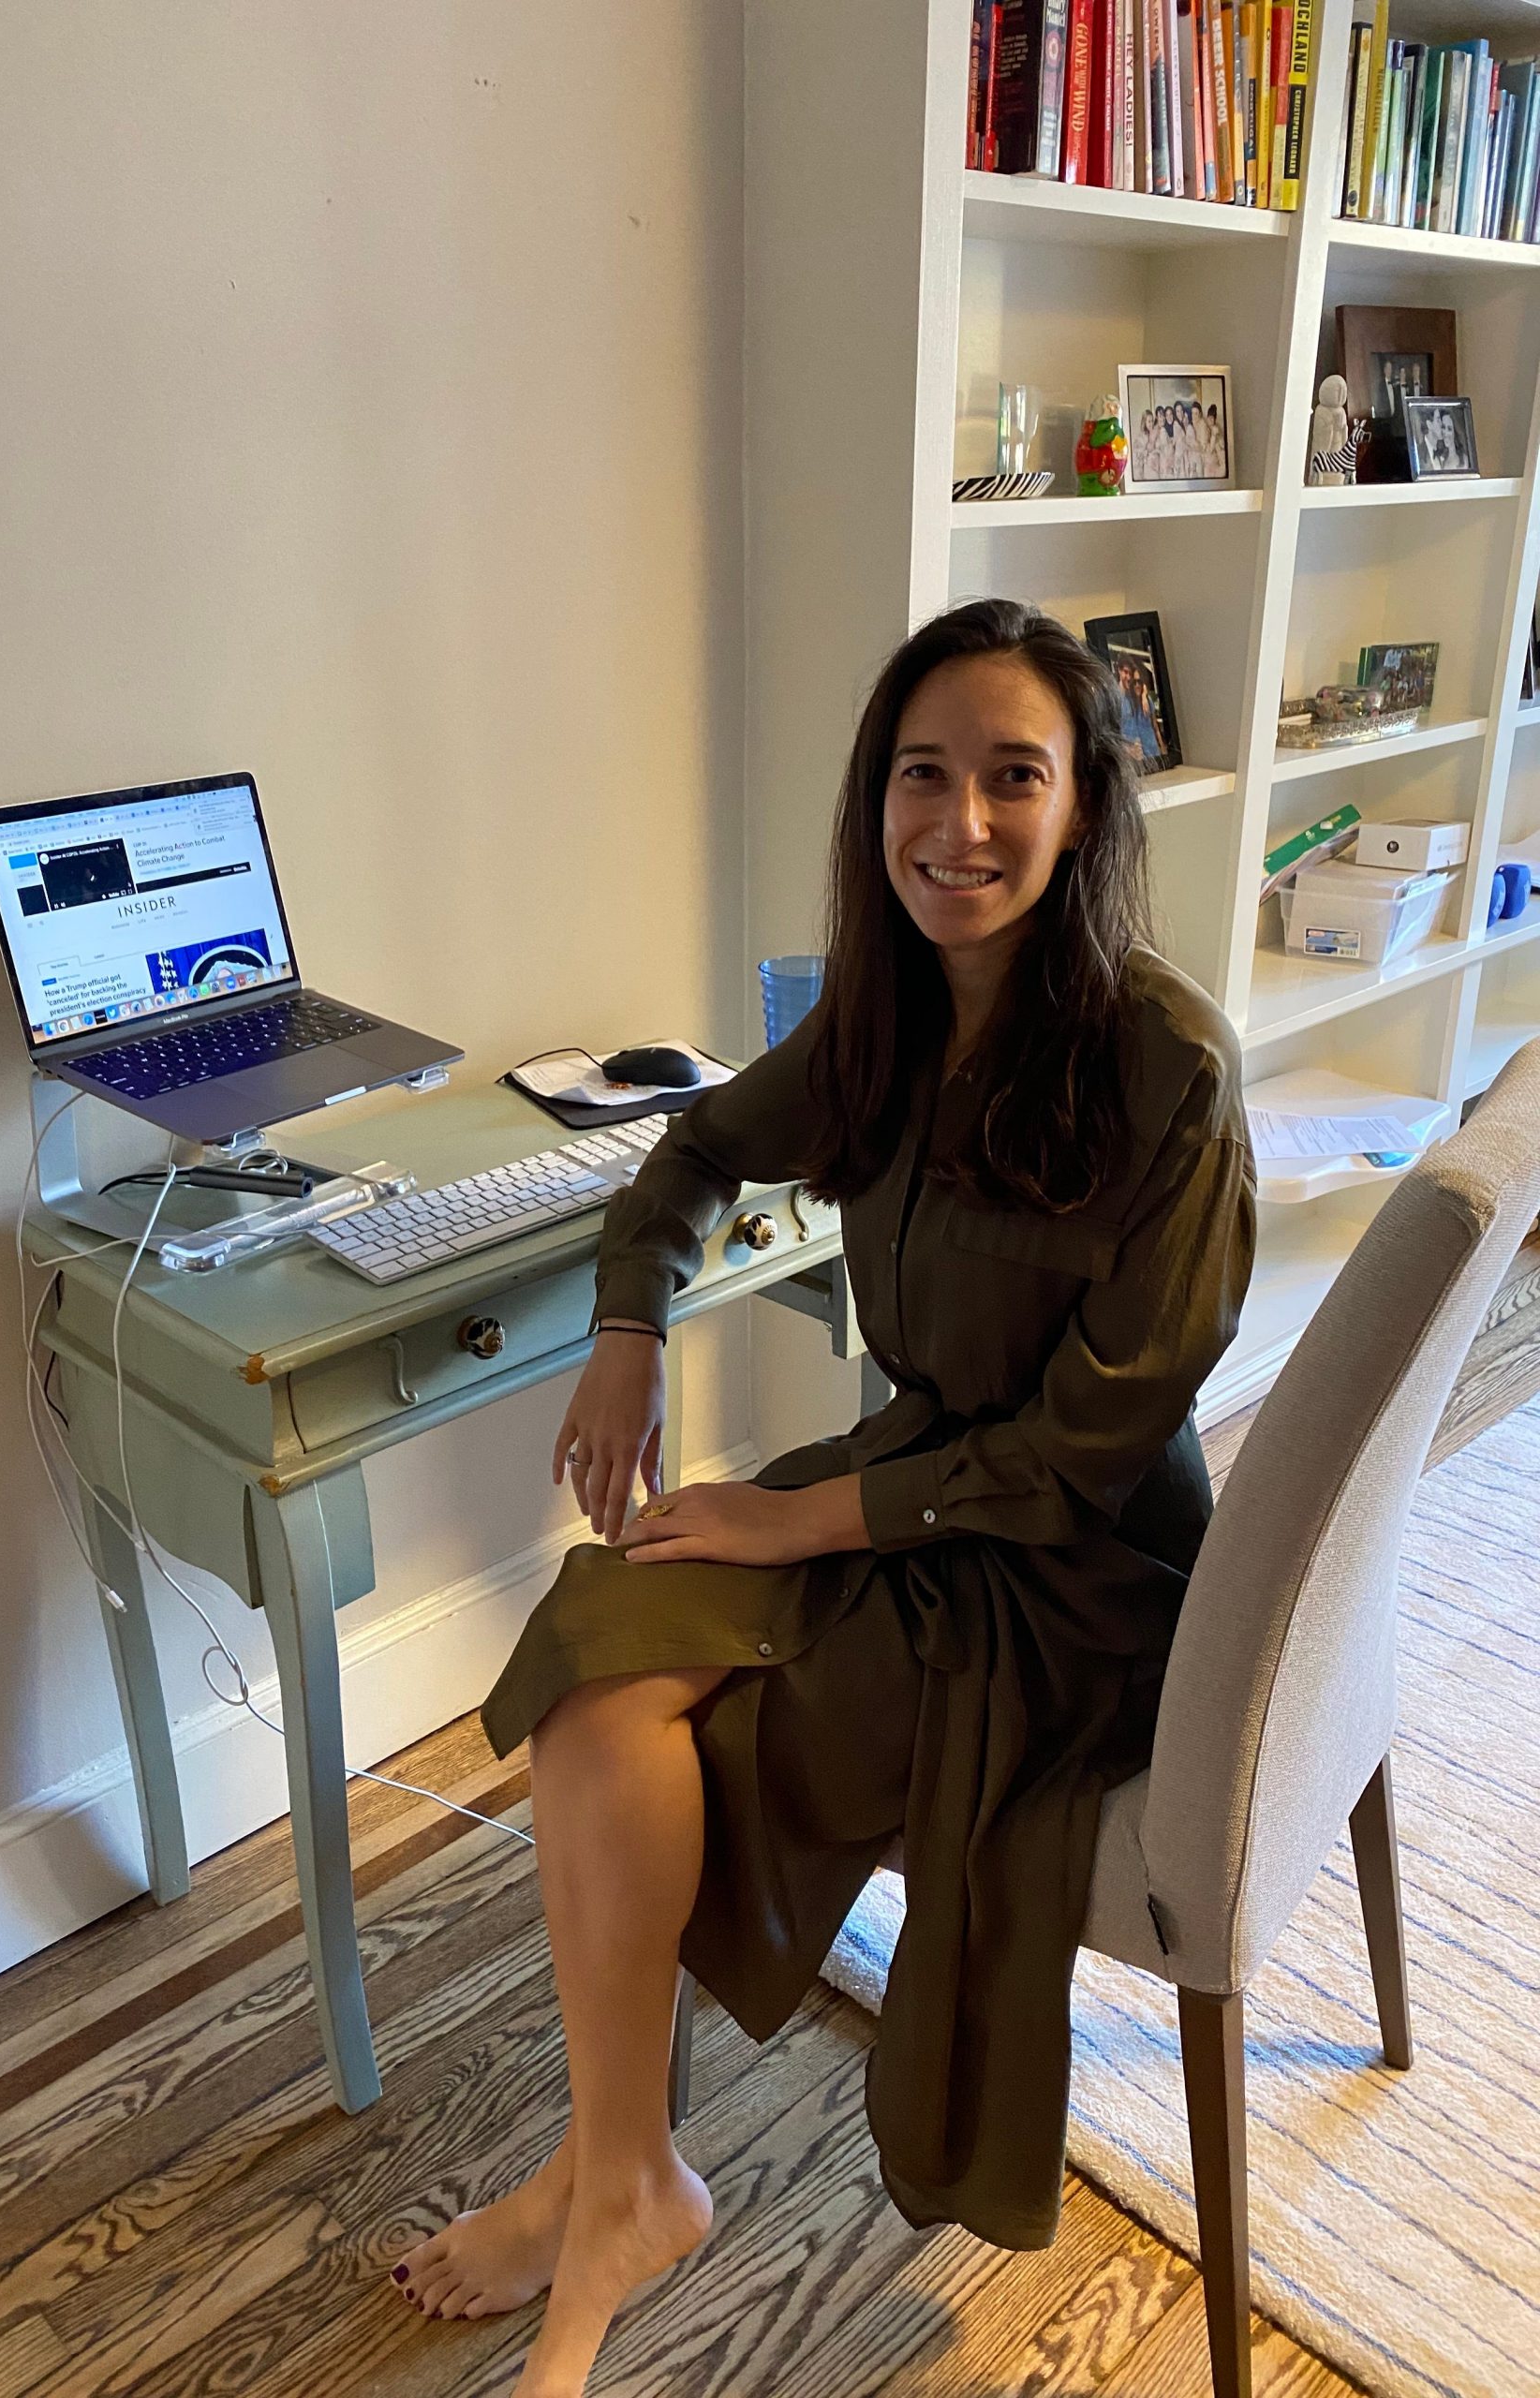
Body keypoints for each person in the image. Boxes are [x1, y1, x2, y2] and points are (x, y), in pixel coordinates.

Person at [385, 599, 1256, 2398]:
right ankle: (621, 2174)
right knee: (601, 1645)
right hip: (913, 1487)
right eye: (921, 777)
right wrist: (628, 1327)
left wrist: (798, 1521)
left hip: (1075, 1574)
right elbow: (694, 1147)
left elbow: (1089, 1452)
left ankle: (608, 2178)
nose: (963, 824)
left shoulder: (1170, 1071)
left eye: (1016, 776)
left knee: (682, 1703)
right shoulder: (887, 1017)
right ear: (876, 807)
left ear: (1085, 803)